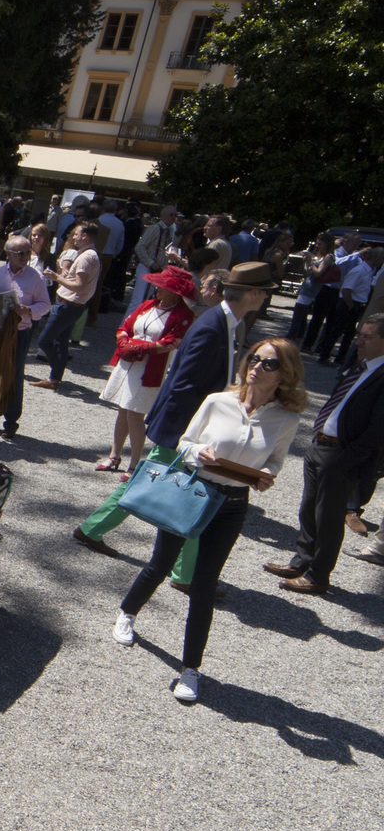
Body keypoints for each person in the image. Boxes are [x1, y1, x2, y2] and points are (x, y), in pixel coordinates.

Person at [112, 337, 305, 704]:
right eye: (254, 358)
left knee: (204, 585)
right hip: (193, 491)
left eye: (268, 364)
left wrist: (266, 473)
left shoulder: (287, 418)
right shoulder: (218, 402)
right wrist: (199, 451)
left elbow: (276, 460)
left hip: (232, 504)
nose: (256, 366)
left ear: (285, 374)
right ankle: (127, 613)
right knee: (160, 564)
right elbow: (185, 443)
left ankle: (190, 669)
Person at [73, 262, 278, 580]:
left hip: (187, 426)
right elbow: (183, 384)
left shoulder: (223, 321)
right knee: (170, 487)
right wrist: (192, 435)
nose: (265, 299)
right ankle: (177, 570)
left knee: (189, 491)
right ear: (252, 293)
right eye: (265, 293)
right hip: (184, 428)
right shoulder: (213, 324)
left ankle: (180, 570)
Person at [266, 314, 384, 594]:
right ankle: (301, 561)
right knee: (308, 509)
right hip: (320, 445)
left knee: (329, 518)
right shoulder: (360, 365)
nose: (360, 340)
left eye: (368, 336)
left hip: (341, 455)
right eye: (360, 334)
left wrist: (346, 460)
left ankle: (319, 576)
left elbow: (377, 430)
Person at [95, 266, 196, 472]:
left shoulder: (183, 315)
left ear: (174, 290)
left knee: (135, 414)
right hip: (129, 363)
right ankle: (114, 456)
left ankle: (134, 464)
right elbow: (125, 326)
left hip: (150, 369)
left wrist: (136, 347)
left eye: (162, 286)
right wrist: (124, 343)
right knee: (122, 410)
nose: (156, 288)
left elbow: (170, 343)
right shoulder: (150, 304)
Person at [0, 234, 52, 435]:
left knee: (14, 375)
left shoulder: (35, 277)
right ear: (8, 254)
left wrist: (29, 310)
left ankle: (11, 422)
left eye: (27, 252)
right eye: (20, 253)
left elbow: (46, 305)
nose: (25, 256)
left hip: (18, 334)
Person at [34, 221, 101, 388]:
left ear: (84, 236)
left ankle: (56, 371)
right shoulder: (91, 254)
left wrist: (56, 278)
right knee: (61, 343)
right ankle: (54, 379)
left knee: (44, 341)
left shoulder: (86, 257)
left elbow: (79, 285)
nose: (74, 237)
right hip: (74, 306)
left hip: (68, 306)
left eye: (76, 234)